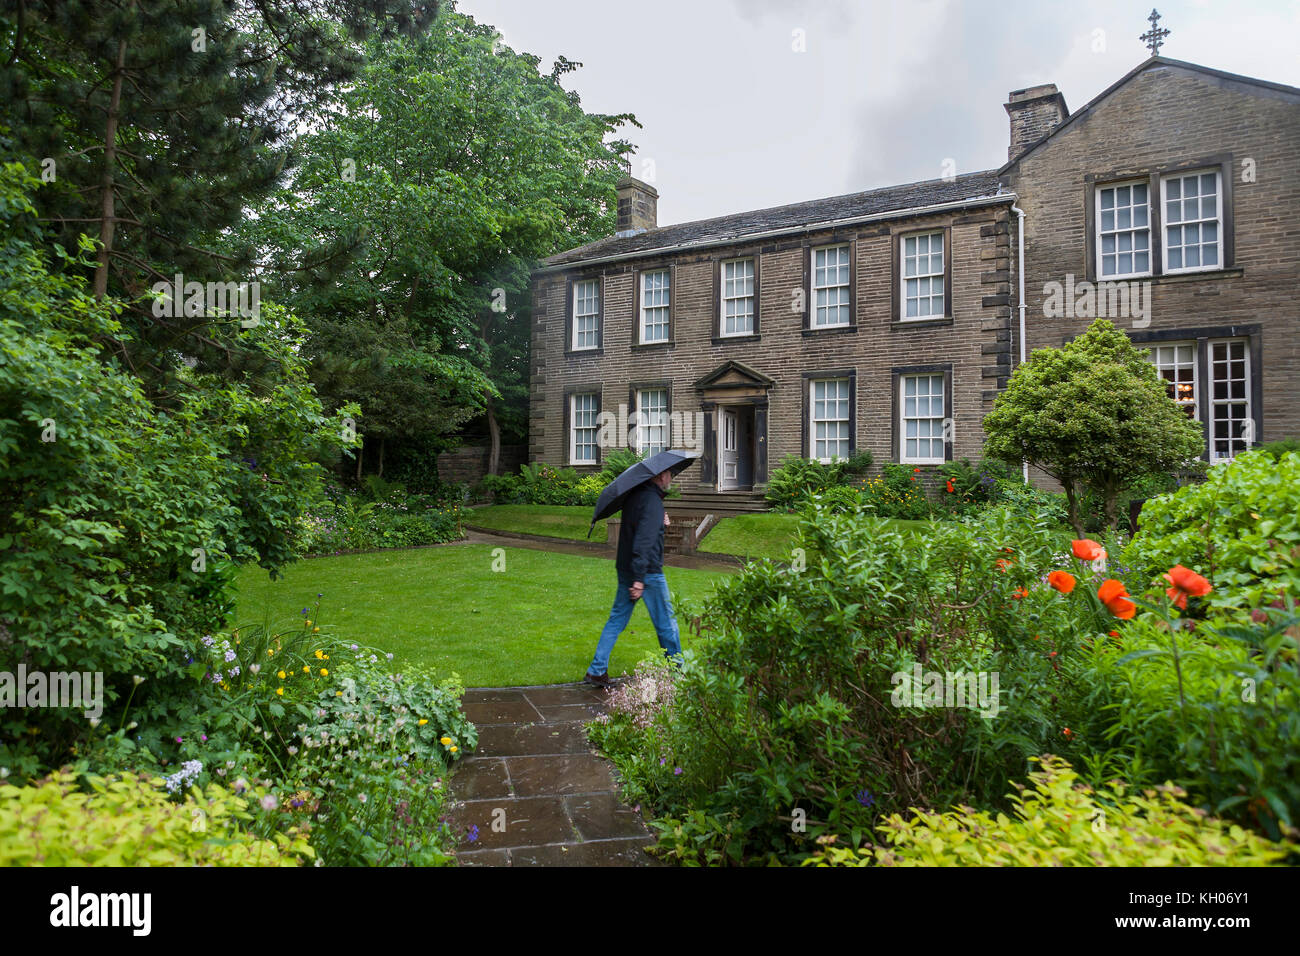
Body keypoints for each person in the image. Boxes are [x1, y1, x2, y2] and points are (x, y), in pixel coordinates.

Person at [583, 467, 681, 687]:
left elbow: (641, 531)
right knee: (667, 623)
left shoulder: (635, 496)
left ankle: (597, 670)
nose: (671, 478)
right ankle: (678, 672)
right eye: (669, 475)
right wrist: (639, 579)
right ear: (659, 476)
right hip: (647, 573)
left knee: (616, 619)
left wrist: (661, 524)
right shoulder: (652, 502)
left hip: (626, 568)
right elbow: (643, 542)